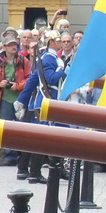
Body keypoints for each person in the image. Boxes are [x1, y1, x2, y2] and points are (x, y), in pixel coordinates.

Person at [16, 30, 68, 183]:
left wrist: (22, 100)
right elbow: (51, 79)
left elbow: (33, 80)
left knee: (52, 138)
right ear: (51, 42)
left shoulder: (46, 57)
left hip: (46, 102)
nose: (60, 42)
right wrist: (62, 69)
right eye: (58, 40)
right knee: (41, 139)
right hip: (47, 102)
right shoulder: (50, 59)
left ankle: (53, 169)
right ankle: (34, 173)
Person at [0, 37, 29, 166]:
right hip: (5, 98)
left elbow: (29, 79)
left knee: (21, 127)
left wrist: (18, 85)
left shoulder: (24, 61)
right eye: (10, 45)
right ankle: (9, 156)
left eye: (15, 45)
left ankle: (22, 156)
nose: (13, 47)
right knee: (6, 128)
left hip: (20, 98)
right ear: (4, 47)